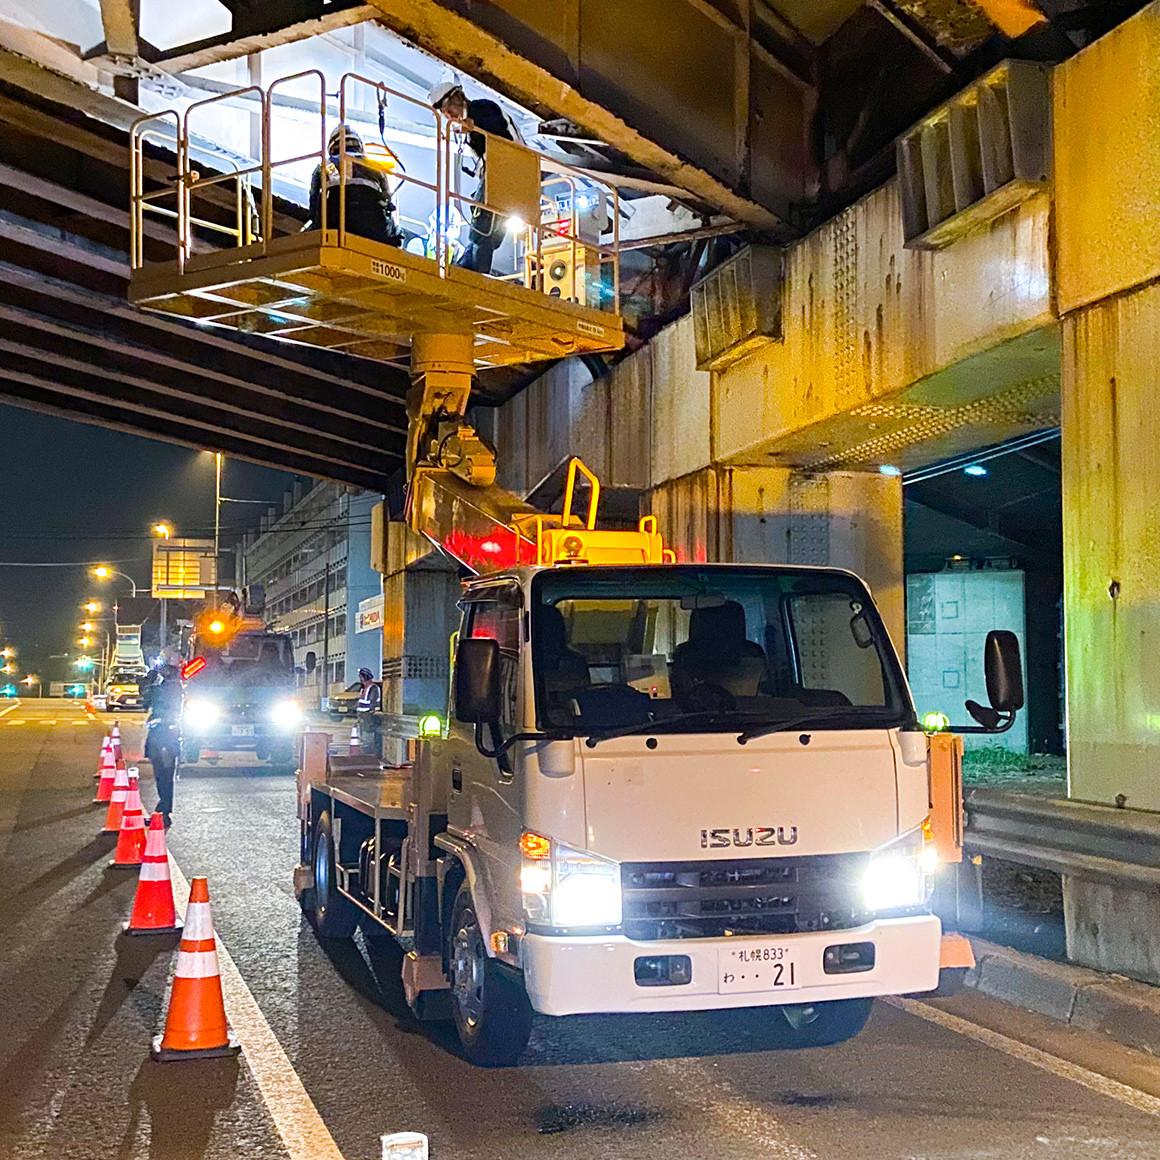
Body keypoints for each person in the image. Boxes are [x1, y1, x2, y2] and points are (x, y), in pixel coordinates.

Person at [429, 82, 524, 275]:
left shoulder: (483, 108)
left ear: (459, 98)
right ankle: (469, 266)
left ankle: (475, 271)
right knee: (490, 232)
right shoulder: (471, 123)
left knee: (482, 225)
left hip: (507, 168)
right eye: (445, 113)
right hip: (506, 172)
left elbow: (498, 128)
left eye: (449, 109)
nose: (449, 116)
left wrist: (474, 126)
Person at [306, 125, 402, 247]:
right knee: (399, 235)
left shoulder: (323, 167)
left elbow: (313, 204)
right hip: (371, 228)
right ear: (359, 145)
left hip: (333, 224)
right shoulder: (376, 168)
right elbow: (387, 202)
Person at [142, 648, 183, 827]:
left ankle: (164, 810)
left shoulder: (166, 679)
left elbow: (147, 698)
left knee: (164, 772)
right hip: (166, 728)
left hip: (164, 729)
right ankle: (163, 809)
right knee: (164, 771)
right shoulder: (171, 679)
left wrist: (151, 677)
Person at [355, 666, 382, 759]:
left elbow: (372, 704)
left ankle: (369, 757)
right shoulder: (364, 689)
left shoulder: (373, 688)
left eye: (361, 677)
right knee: (364, 738)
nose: (360, 679)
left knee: (368, 739)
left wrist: (367, 713)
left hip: (369, 718)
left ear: (366, 677)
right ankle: (366, 755)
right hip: (363, 717)